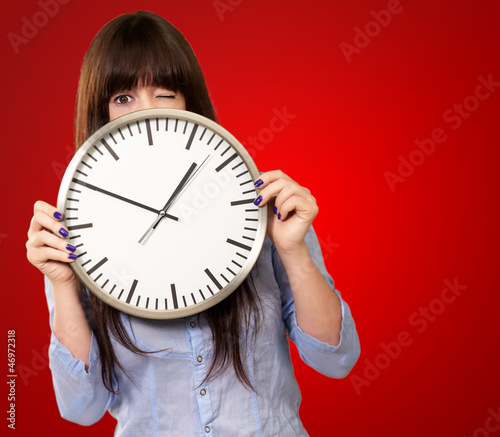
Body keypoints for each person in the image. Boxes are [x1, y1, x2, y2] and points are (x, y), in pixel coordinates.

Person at [26, 11, 360, 436]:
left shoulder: (259, 205)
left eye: (164, 93)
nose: (145, 113)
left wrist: (293, 251)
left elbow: (337, 359)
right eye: (123, 98)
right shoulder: (78, 236)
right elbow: (81, 408)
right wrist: (61, 283)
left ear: (190, 102)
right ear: (100, 115)